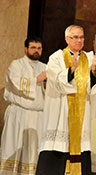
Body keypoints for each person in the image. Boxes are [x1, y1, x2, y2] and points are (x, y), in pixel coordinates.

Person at [36, 25, 96, 175]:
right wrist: (72, 69)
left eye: (81, 37)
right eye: (75, 37)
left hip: (82, 114)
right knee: (58, 149)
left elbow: (95, 85)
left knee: (81, 148)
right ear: (67, 39)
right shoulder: (56, 57)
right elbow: (56, 82)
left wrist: (94, 68)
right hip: (61, 112)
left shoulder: (88, 57)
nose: (79, 40)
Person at [0, 36, 46, 175]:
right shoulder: (16, 64)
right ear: (26, 49)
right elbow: (15, 83)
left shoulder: (45, 67)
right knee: (14, 146)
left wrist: (46, 83)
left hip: (38, 115)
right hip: (19, 114)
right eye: (33, 48)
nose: (36, 51)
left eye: (39, 48)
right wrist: (37, 80)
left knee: (33, 150)